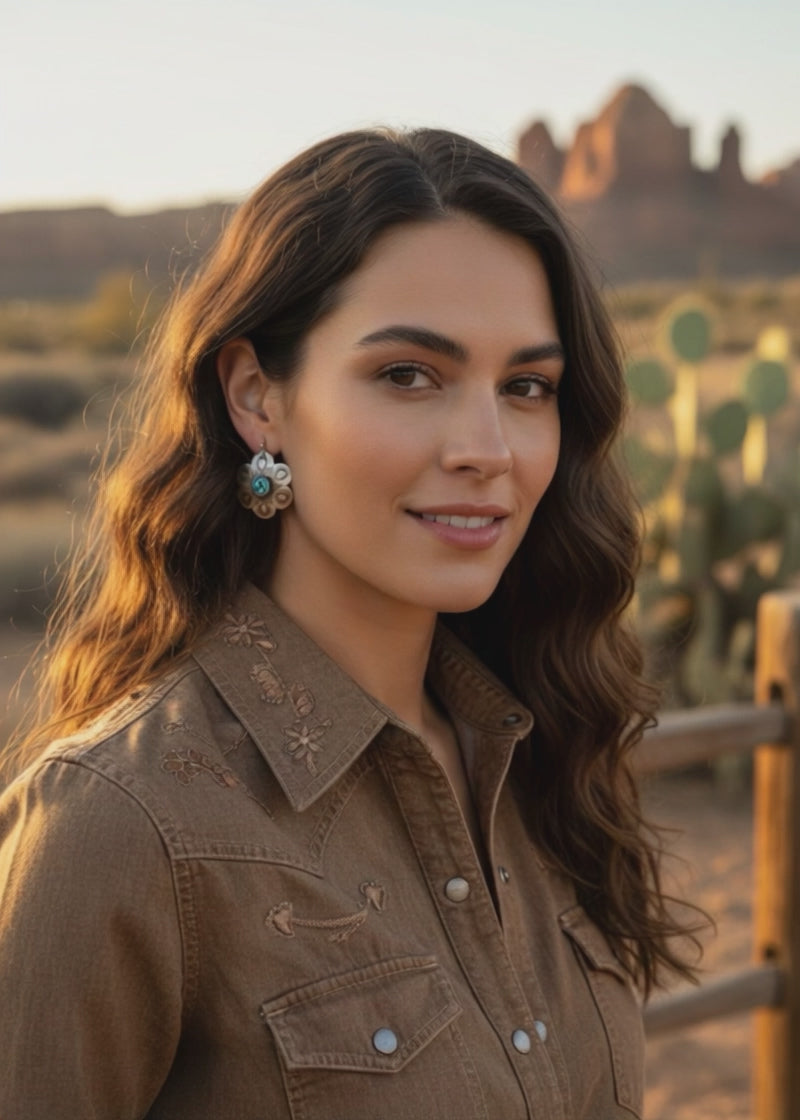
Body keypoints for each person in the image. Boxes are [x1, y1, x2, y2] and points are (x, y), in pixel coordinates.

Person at [0, 127, 697, 1119]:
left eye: (526, 387)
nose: (488, 448)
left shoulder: (539, 756)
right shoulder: (118, 826)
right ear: (257, 399)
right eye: (408, 374)